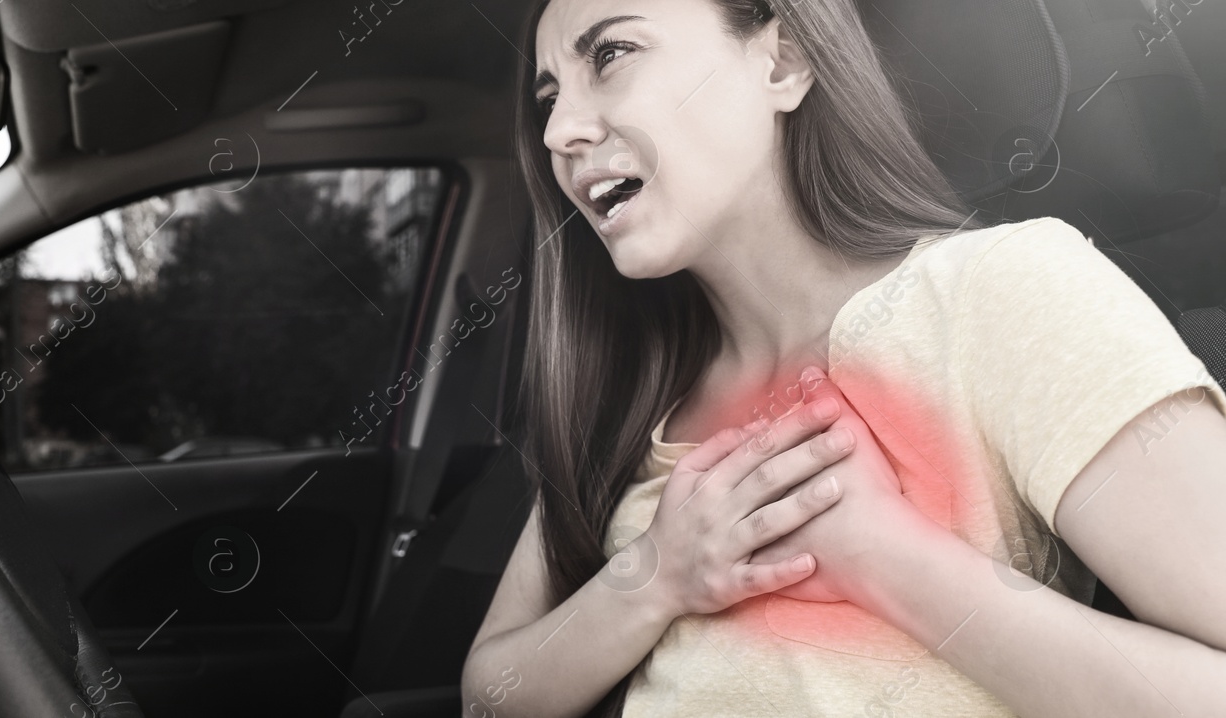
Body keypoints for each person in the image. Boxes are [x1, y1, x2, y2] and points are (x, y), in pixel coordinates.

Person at [461, 0, 1226, 716]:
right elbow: (487, 698)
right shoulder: (630, 390)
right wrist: (655, 580)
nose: (560, 130)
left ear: (783, 63)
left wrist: (887, 561)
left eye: (613, 53)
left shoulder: (1002, 290)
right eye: (548, 97)